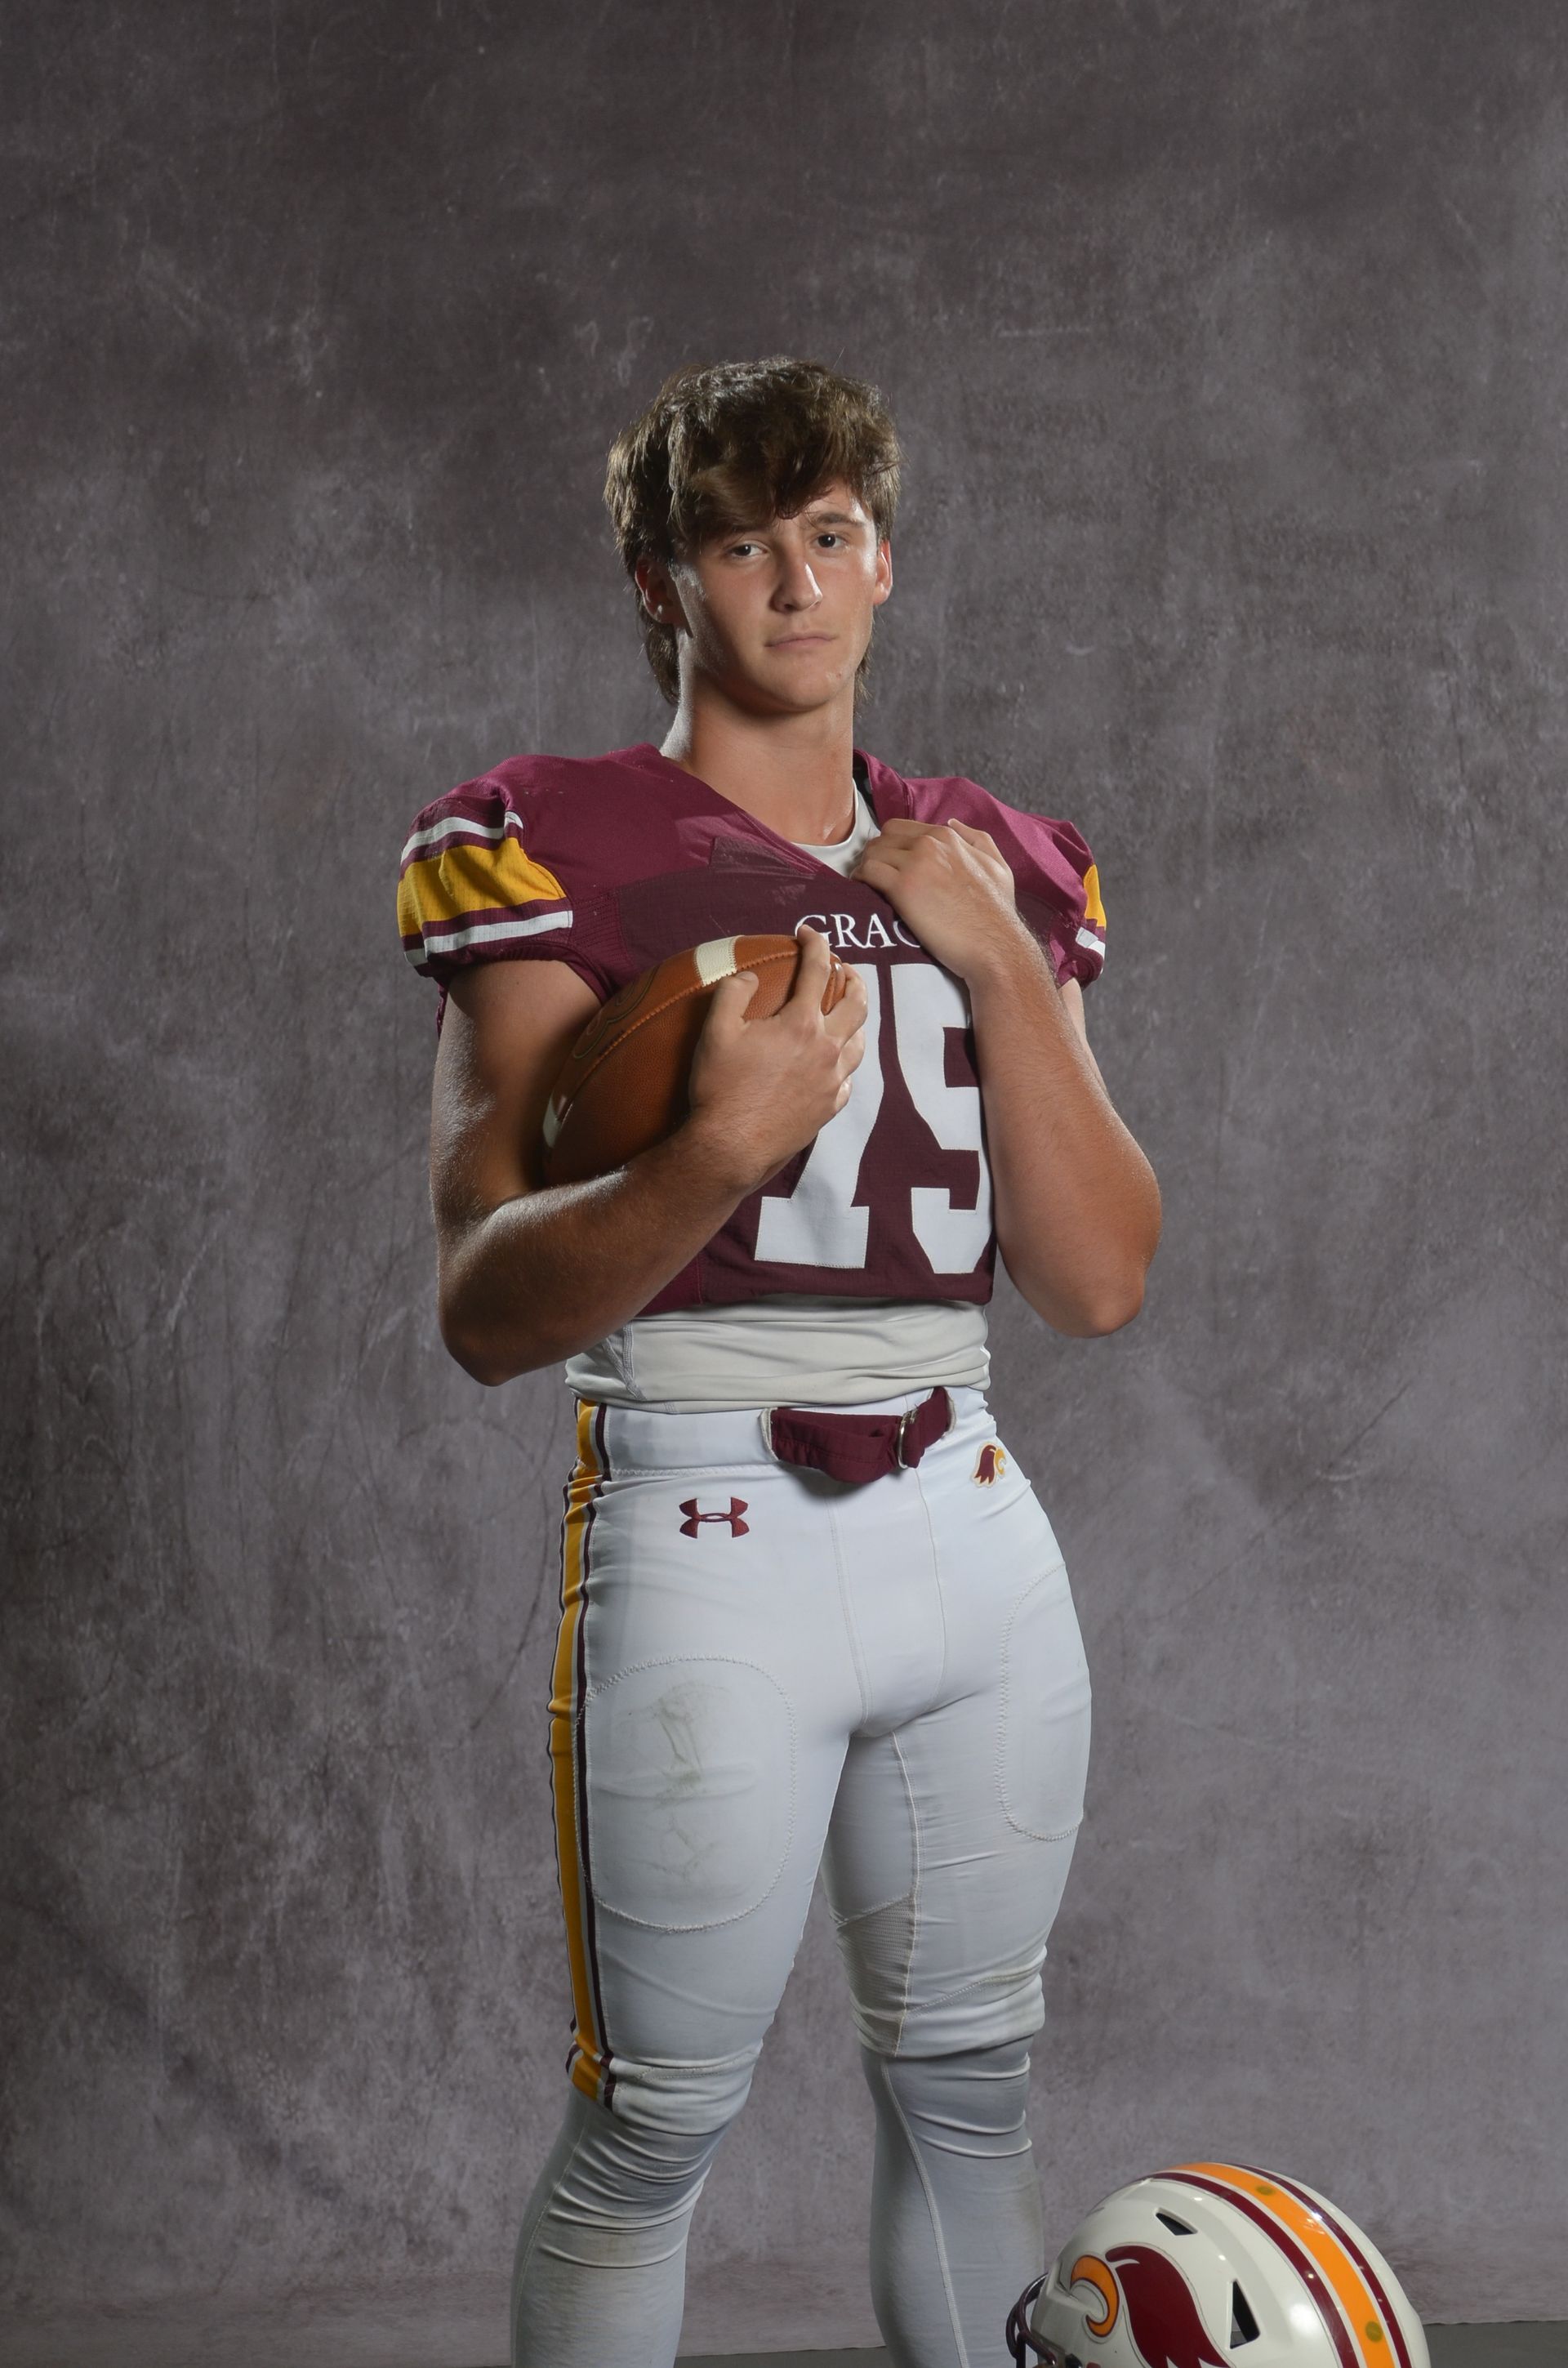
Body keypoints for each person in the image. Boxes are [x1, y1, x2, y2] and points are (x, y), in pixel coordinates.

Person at [396, 357, 1161, 2368]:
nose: (794, 584)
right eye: (741, 544)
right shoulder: (555, 835)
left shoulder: (1001, 858)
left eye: (827, 536)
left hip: (973, 1514)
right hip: (704, 1503)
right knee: (655, 2125)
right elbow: (485, 1302)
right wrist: (716, 1149)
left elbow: (1095, 1282)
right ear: (664, 585)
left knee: (977, 2091)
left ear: (884, 558)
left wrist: (995, 956)